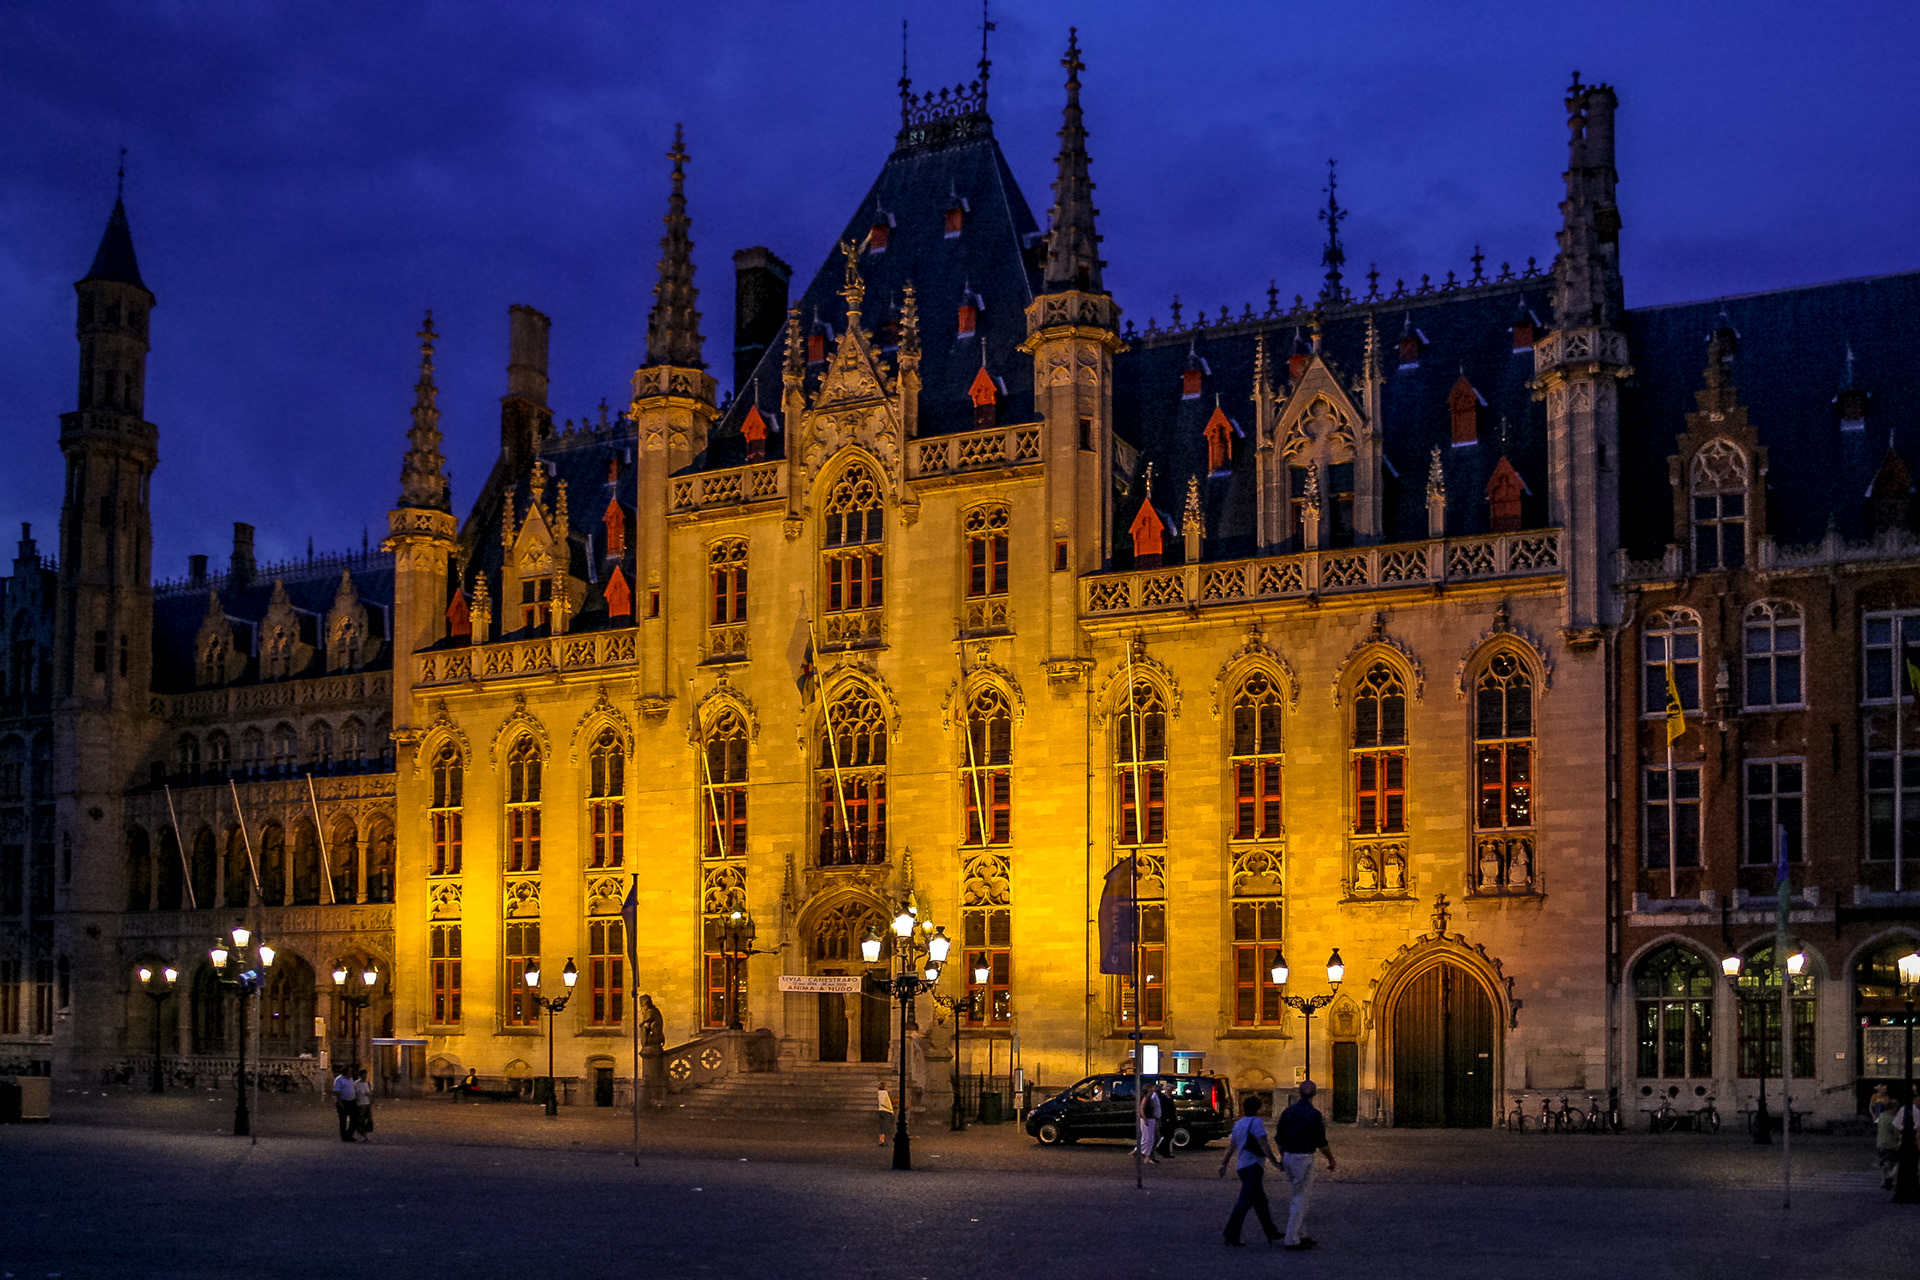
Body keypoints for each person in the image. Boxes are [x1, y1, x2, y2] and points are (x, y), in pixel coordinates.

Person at [1274, 1079, 1338, 1250]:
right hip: (1303, 1157)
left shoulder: (1288, 1112)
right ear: (1315, 1094)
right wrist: (1331, 1159)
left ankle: (1301, 1233)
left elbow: (1279, 1138)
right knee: (1301, 1198)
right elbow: (1321, 1142)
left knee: (1297, 1193)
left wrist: (1283, 1156)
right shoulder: (1314, 1114)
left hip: (1288, 1155)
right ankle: (1292, 1237)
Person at [1217, 1094, 1284, 1246]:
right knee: (1245, 1202)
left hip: (1242, 1165)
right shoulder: (1257, 1123)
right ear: (1258, 1109)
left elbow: (1232, 1146)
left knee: (1260, 1201)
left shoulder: (1239, 1124)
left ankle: (1271, 1231)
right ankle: (1231, 1233)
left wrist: (1224, 1164)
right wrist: (1276, 1163)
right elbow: (1264, 1145)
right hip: (1253, 1165)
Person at [1138, 1079, 1162, 1163]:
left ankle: (1145, 1155)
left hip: (1151, 1119)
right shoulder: (1146, 1098)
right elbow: (1141, 1109)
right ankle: (1144, 1154)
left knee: (1150, 1138)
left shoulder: (1150, 1098)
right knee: (1148, 1138)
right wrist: (1144, 1118)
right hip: (1147, 1119)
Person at [1154, 1081, 1180, 1160]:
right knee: (1168, 1135)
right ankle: (1162, 1150)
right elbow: (1165, 1110)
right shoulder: (1164, 1099)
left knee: (1169, 1135)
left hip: (1170, 1119)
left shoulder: (1168, 1098)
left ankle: (1165, 1152)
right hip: (1167, 1119)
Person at [332, 1067, 357, 1142]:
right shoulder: (339, 1080)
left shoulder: (351, 1079)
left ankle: (350, 1134)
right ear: (346, 1072)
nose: (351, 1073)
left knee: (354, 1119)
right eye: (350, 1071)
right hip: (343, 1101)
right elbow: (337, 1091)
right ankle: (345, 1136)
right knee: (343, 1120)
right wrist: (339, 1101)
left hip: (352, 1101)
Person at [353, 1068, 374, 1141]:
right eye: (363, 1076)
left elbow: (370, 1092)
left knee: (368, 1120)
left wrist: (370, 1098)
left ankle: (366, 1134)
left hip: (367, 1103)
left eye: (365, 1075)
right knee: (360, 1120)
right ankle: (360, 1134)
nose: (364, 1077)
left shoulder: (368, 1083)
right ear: (360, 1076)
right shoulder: (356, 1084)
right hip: (360, 1104)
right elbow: (354, 1093)